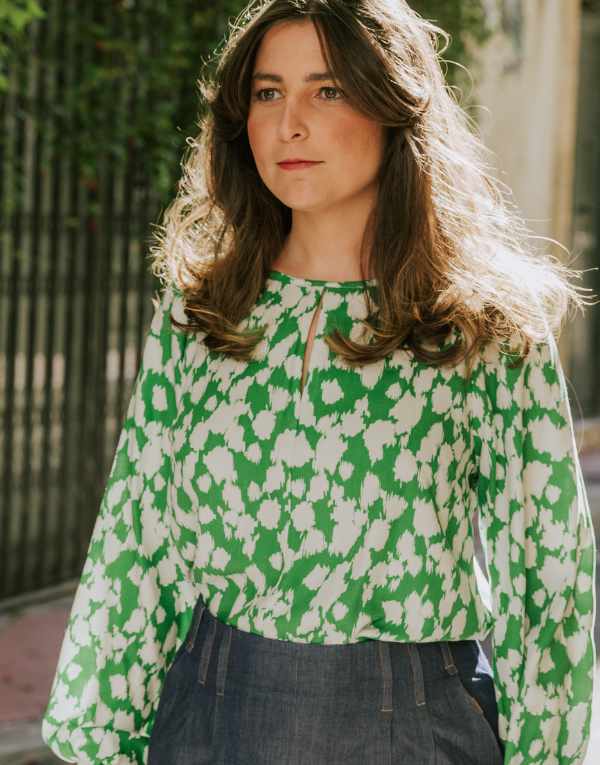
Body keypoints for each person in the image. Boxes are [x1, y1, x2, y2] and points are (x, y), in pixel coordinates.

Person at [42, 1, 597, 763]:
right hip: (205, 710)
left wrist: (550, 753)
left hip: (411, 724)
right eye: (268, 92)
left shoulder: (481, 324)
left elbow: (546, 572)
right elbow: (138, 531)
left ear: (393, 108)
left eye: (327, 90)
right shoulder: (203, 310)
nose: (289, 124)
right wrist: (101, 734)